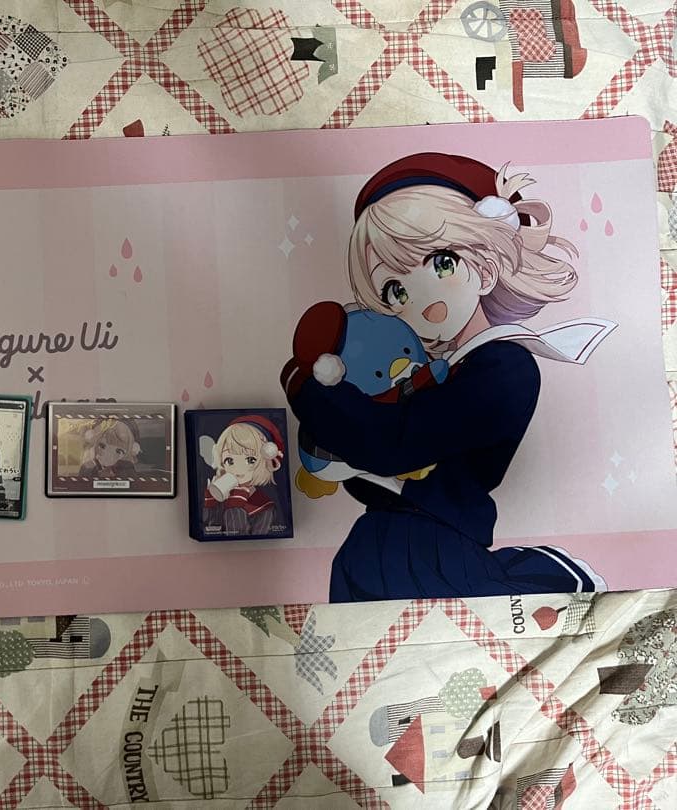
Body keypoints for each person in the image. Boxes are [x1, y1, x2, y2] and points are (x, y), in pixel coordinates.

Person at [284, 152, 609, 601]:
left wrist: (307, 388)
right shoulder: (429, 368)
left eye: (441, 264)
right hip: (383, 538)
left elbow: (392, 444)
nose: (419, 296)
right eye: (394, 290)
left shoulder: (505, 368)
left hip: (431, 544)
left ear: (486, 268)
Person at [202, 416, 285, 536]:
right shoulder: (223, 495)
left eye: (250, 460)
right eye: (230, 460)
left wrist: (235, 507)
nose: (238, 469)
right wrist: (211, 504)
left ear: (264, 462)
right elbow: (208, 530)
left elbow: (247, 539)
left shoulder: (264, 507)